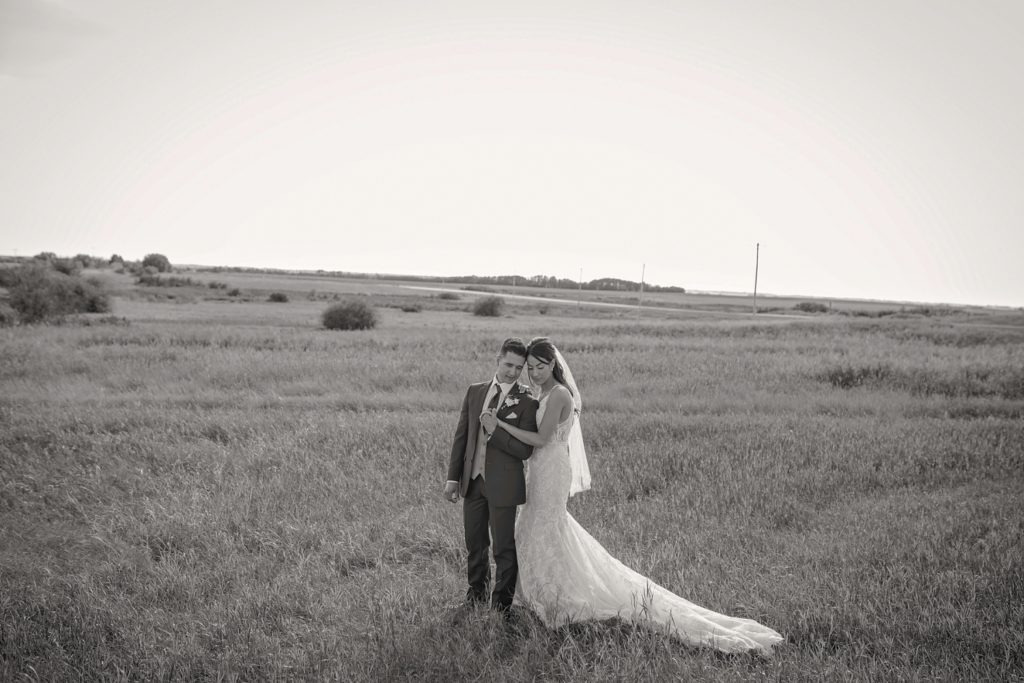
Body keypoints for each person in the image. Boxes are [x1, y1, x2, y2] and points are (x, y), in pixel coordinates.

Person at [480, 337, 784, 654]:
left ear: (553, 364)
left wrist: (498, 425)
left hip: (551, 469)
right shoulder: (541, 393)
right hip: (538, 470)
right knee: (533, 528)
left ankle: (554, 595)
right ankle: (537, 592)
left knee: (543, 527)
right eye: (530, 368)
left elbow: (542, 438)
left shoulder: (558, 394)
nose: (534, 373)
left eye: (540, 367)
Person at [444, 337, 540, 611]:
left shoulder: (527, 401)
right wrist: (453, 478)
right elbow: (462, 436)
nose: (513, 372)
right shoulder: (475, 391)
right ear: (498, 359)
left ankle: (502, 606)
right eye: (508, 365)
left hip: (504, 485)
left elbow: (524, 450)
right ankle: (476, 595)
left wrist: (495, 430)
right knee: (475, 543)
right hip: (473, 481)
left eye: (519, 368)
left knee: (503, 548)